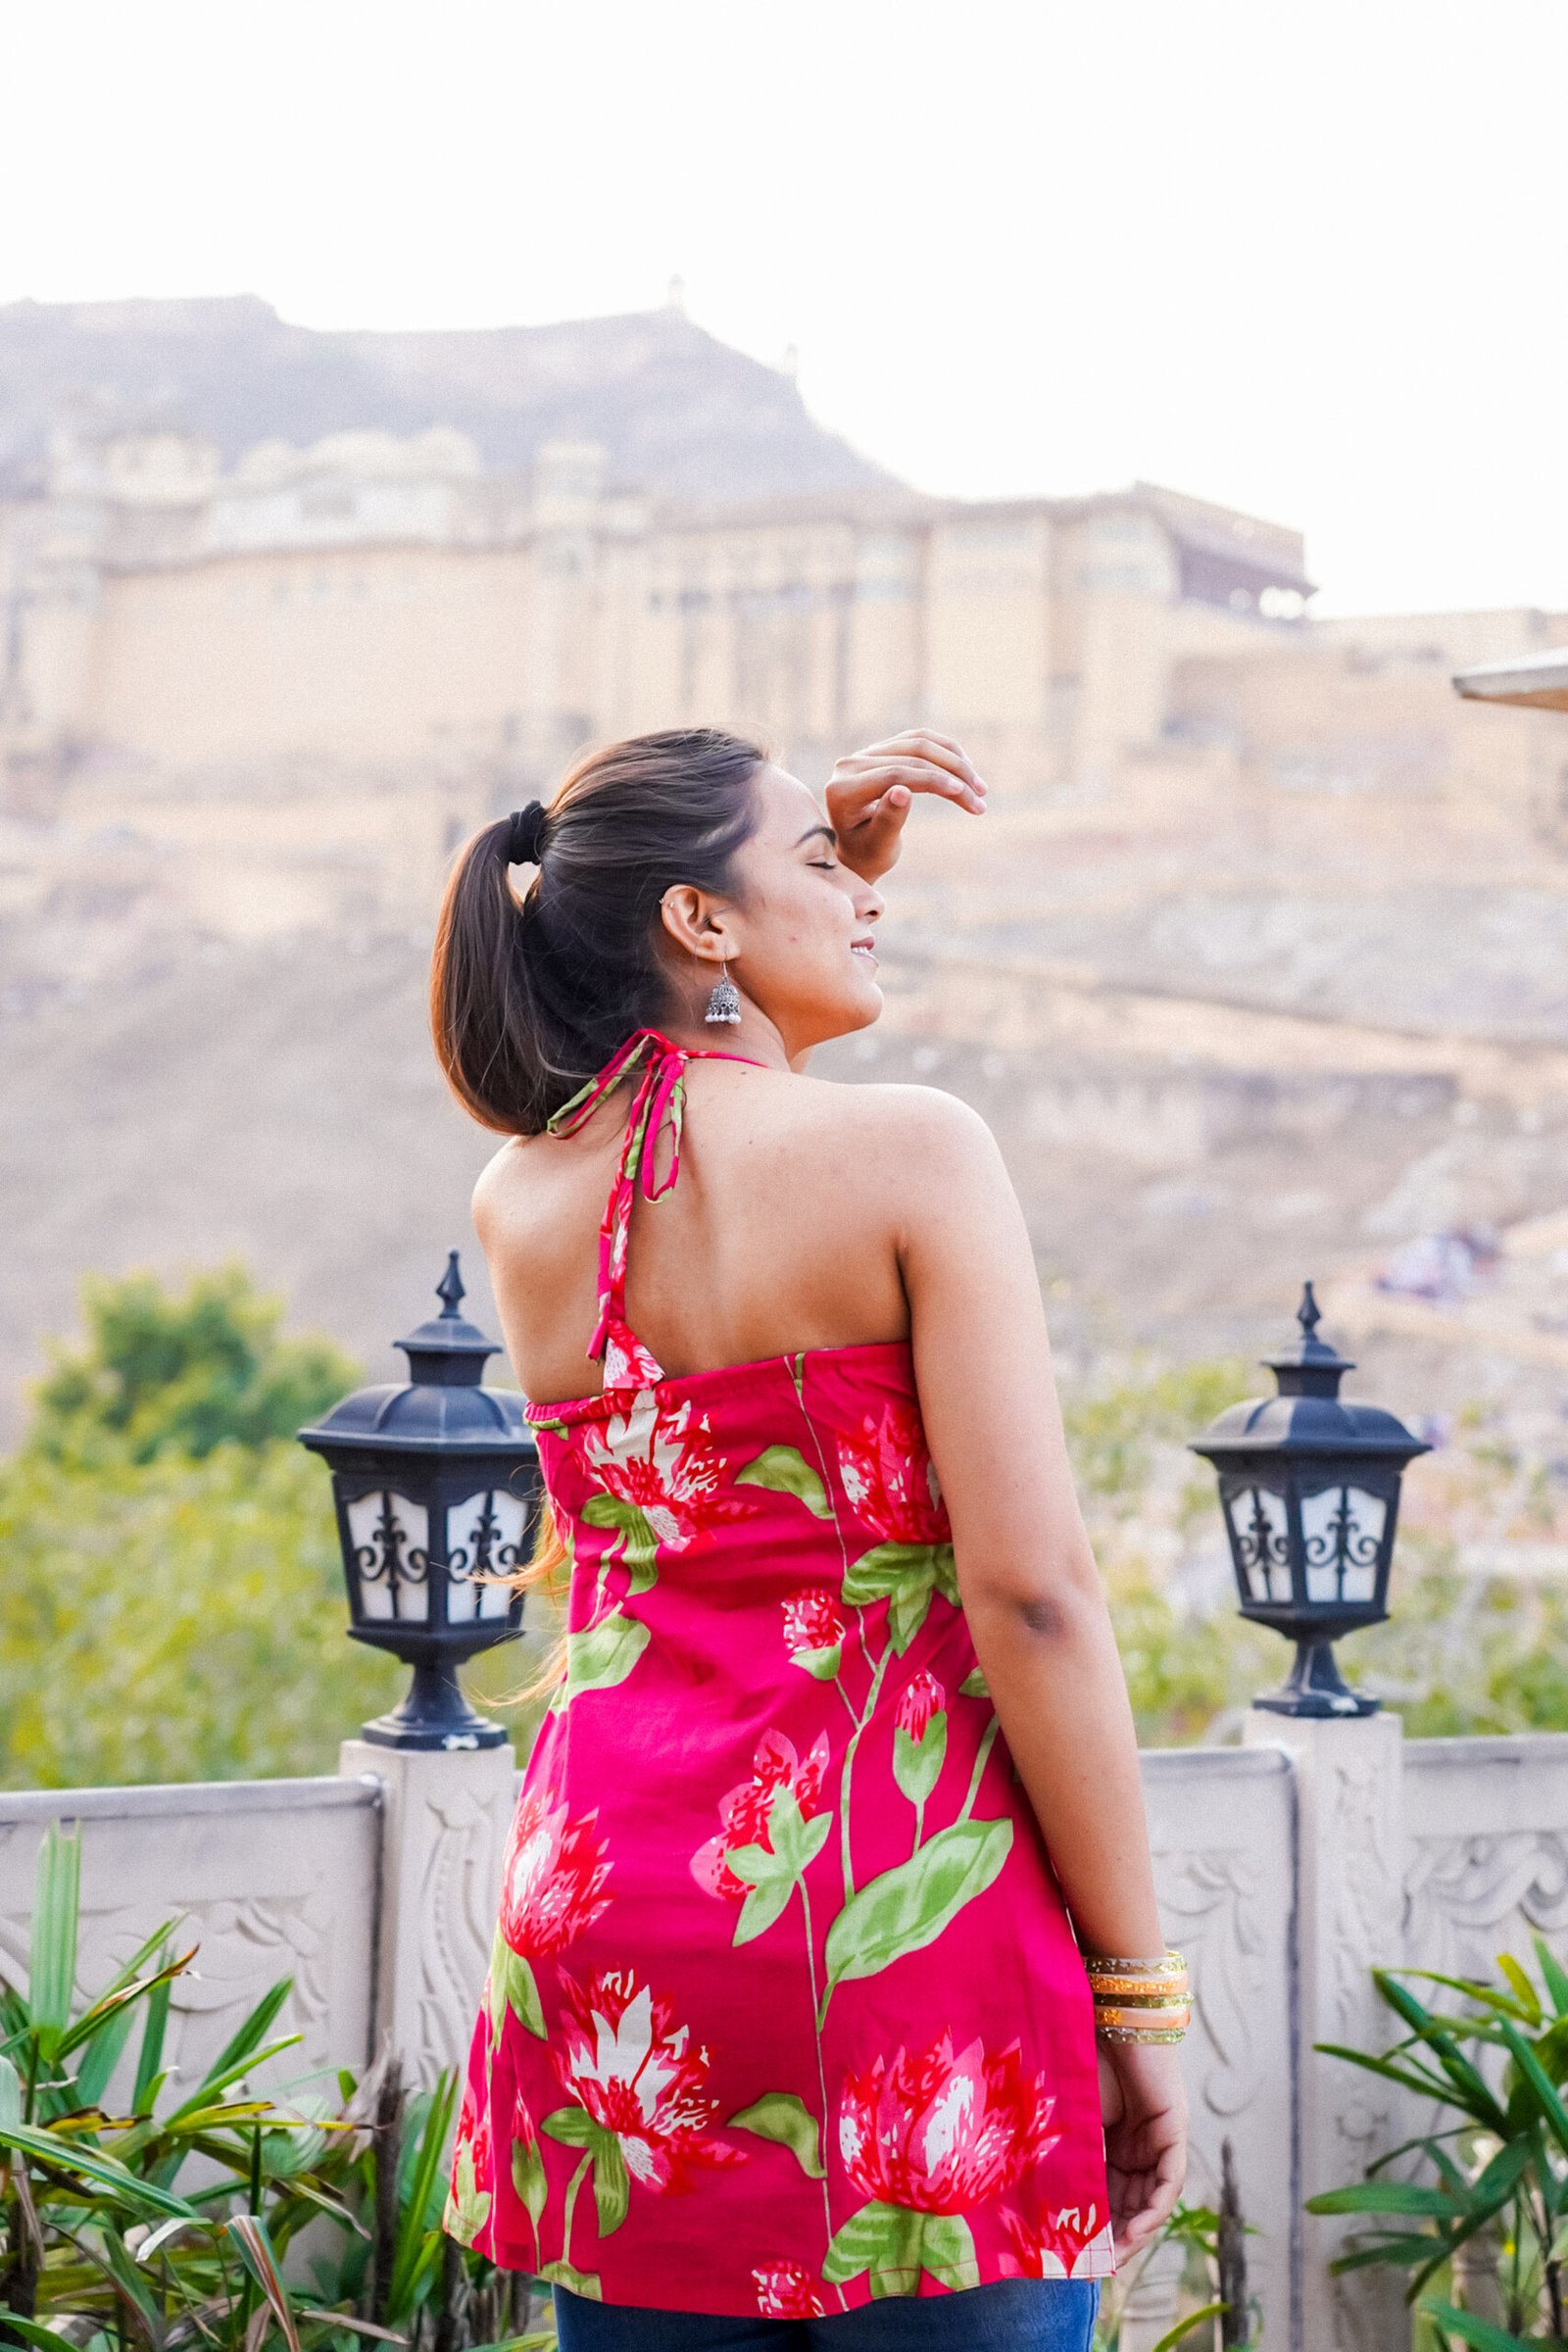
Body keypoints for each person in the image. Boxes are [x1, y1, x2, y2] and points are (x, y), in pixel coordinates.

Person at [431, 728, 1188, 2352]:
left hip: (613, 1929)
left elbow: (698, 1145)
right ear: (700, 922)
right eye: (828, 865)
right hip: (895, 1925)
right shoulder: (914, 1151)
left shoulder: (524, 1199)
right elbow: (1032, 1599)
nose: (871, 898)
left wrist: (796, 881)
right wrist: (1138, 1997)